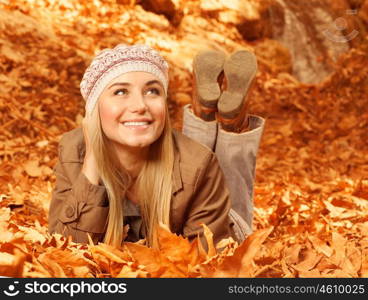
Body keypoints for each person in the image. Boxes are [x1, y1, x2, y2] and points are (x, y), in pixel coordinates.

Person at [48, 44, 265, 250]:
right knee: (197, 165)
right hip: (196, 183)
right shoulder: (73, 152)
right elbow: (66, 254)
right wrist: (92, 166)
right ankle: (217, 117)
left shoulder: (199, 162)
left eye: (152, 91)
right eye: (120, 92)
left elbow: (207, 264)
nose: (140, 106)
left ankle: (229, 123)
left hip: (223, 230)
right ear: (94, 109)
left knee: (229, 203)